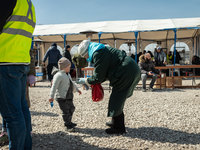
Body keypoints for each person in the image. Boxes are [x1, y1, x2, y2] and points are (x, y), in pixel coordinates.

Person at [76, 39, 141, 134]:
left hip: (126, 71)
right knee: (117, 98)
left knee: (117, 98)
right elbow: (104, 73)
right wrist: (91, 80)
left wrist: (86, 81)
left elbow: (99, 76)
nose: (86, 58)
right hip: (128, 68)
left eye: (84, 56)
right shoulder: (100, 49)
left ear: (87, 52)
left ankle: (119, 128)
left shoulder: (97, 53)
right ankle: (115, 122)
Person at [0, 0, 36, 149]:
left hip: (5, 60)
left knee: (12, 114)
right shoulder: (28, 4)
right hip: (20, 61)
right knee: (21, 109)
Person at [49, 57, 82, 132]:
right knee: (66, 111)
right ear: (64, 67)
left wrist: (77, 89)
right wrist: (51, 97)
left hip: (69, 96)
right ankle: (67, 125)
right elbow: (53, 87)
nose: (70, 68)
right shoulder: (58, 75)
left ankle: (69, 122)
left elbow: (71, 83)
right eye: (69, 67)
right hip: (62, 97)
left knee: (72, 108)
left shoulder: (67, 74)